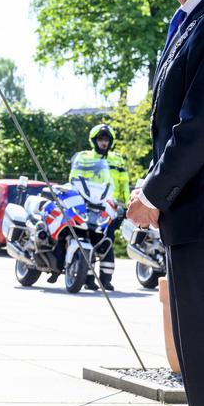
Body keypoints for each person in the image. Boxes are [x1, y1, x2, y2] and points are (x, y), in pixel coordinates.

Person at [125, 0, 204, 406]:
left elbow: (197, 127)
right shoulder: (187, 21)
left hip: (199, 215)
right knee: (194, 342)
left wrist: (153, 192)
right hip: (190, 216)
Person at [68, 123, 130, 290]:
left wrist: (125, 206)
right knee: (87, 239)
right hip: (87, 205)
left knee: (107, 241)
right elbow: (74, 178)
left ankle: (106, 279)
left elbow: (124, 183)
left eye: (107, 139)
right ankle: (87, 279)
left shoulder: (117, 159)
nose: (104, 143)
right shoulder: (84, 157)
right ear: (94, 140)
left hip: (110, 207)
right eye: (101, 139)